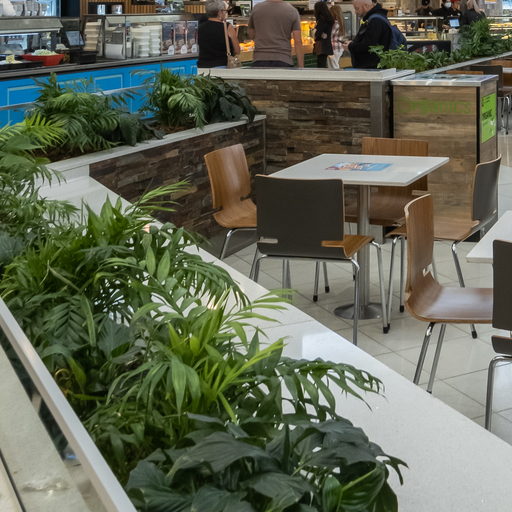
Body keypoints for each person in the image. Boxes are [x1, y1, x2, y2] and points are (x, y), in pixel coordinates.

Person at [248, 0, 304, 68]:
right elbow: (298, 41)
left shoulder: (256, 8)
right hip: (284, 59)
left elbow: (251, 34)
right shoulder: (292, 10)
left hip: (259, 58)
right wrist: (301, 66)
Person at [342, 0, 391, 69]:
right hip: (372, 68)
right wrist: (352, 44)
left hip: (372, 69)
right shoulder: (374, 19)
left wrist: (350, 46)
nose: (355, 12)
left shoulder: (375, 21)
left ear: (366, 6)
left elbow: (368, 45)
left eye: (357, 8)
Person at [197, 0, 240, 68]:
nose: (226, 13)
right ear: (220, 12)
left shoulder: (200, 27)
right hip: (222, 65)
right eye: (225, 11)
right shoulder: (227, 27)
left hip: (203, 66)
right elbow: (237, 50)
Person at [313, 1, 334, 68]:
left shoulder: (322, 19)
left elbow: (318, 33)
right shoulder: (329, 19)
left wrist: (316, 33)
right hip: (326, 44)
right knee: (323, 63)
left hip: (322, 46)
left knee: (321, 64)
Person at [328, 4, 345, 69]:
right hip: (339, 48)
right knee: (335, 66)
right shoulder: (340, 23)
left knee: (334, 67)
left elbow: (329, 35)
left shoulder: (335, 24)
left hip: (334, 48)